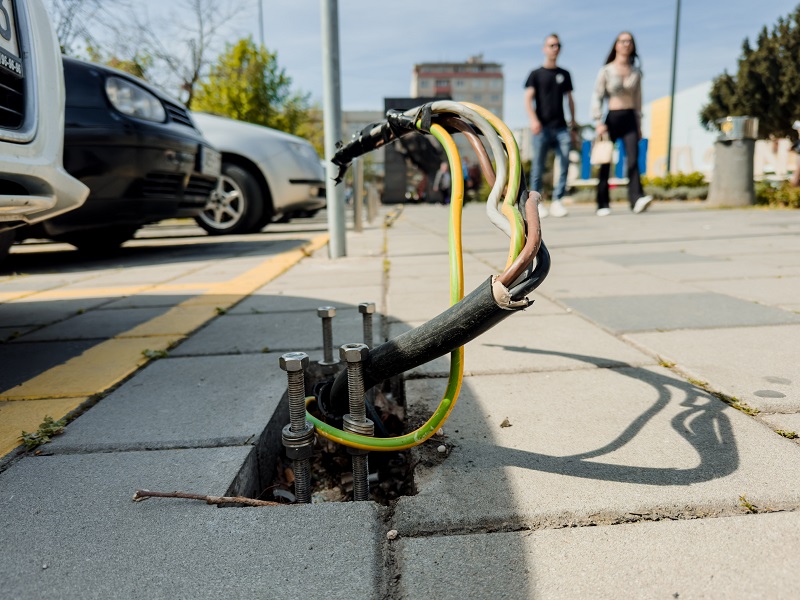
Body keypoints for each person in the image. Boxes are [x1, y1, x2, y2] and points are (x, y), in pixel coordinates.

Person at [590, 31, 653, 216]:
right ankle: (602, 203)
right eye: (622, 41)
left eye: (629, 41)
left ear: (632, 46)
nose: (626, 44)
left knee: (633, 159)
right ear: (616, 45)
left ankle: (636, 200)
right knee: (606, 160)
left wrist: (640, 124)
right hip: (611, 118)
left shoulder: (636, 72)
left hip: (631, 119)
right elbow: (597, 95)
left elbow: (638, 99)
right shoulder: (607, 70)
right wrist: (598, 121)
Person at [524, 33, 576, 218]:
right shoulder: (536, 74)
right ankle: (536, 202)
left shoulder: (565, 74)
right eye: (551, 45)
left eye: (558, 45)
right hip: (542, 128)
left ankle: (557, 201)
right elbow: (528, 99)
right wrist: (533, 120)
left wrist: (573, 122)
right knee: (538, 166)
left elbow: (570, 99)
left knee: (564, 163)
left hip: (561, 127)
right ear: (544, 48)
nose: (555, 48)